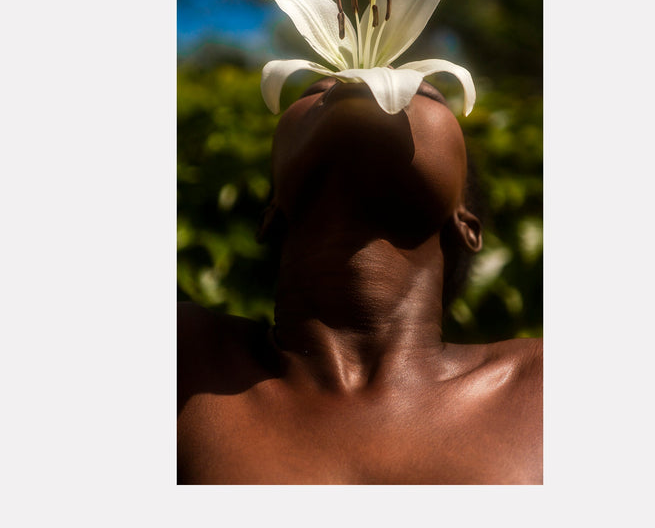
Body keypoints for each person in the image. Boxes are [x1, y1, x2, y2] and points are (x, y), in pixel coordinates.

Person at [177, 75, 542, 485]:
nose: (366, 75)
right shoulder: (183, 352)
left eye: (422, 91)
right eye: (317, 89)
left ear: (466, 224)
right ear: (270, 213)